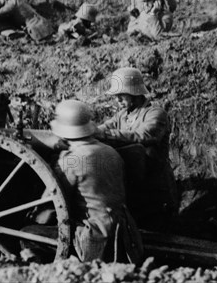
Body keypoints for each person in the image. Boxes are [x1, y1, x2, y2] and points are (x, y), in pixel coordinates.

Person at [23, 100, 143, 263]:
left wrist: (31, 215)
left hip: (93, 235)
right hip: (124, 232)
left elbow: (52, 203)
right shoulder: (111, 152)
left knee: (28, 233)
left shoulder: (72, 160)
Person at [95, 67, 179, 231]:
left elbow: (144, 135)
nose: (118, 100)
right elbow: (103, 128)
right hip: (133, 188)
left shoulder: (155, 113)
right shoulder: (122, 115)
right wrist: (90, 131)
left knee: (159, 234)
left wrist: (105, 134)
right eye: (116, 96)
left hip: (155, 190)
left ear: (135, 92)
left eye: (122, 95)